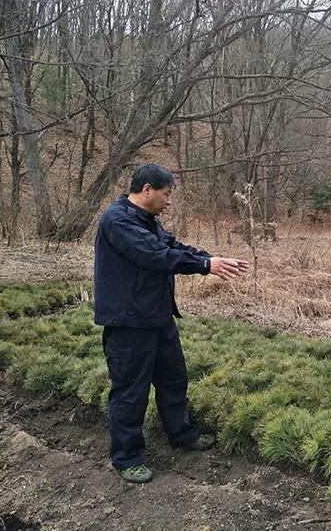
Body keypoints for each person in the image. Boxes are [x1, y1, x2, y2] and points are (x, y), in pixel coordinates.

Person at [94, 163, 249, 483]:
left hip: (158, 318)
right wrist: (205, 266)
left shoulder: (148, 221)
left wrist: (211, 259)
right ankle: (127, 457)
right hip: (129, 323)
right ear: (147, 190)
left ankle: (181, 433)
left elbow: (172, 247)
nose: (169, 201)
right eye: (166, 194)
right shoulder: (118, 220)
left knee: (174, 379)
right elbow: (154, 256)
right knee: (130, 392)